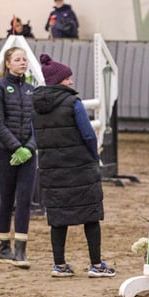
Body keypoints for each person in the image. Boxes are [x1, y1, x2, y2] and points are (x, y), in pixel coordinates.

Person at [32, 54, 115, 278]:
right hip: (79, 166)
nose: (71, 82)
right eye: (68, 78)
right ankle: (96, 265)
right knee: (91, 215)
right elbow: (88, 134)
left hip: (51, 168)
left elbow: (34, 136)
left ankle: (59, 265)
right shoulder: (73, 102)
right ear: (60, 80)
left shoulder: (35, 106)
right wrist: (92, 154)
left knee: (58, 219)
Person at [0, 46, 37, 268]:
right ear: (8, 63)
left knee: (25, 200)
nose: (22, 62)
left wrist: (30, 147)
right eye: (17, 59)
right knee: (6, 199)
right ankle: (4, 247)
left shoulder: (31, 89)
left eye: (24, 59)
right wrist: (16, 147)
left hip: (28, 153)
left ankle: (21, 250)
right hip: (3, 153)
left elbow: (36, 123)